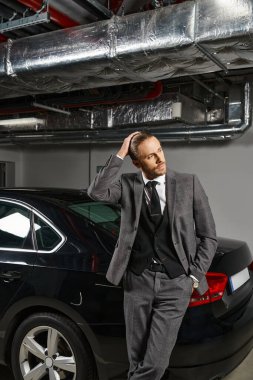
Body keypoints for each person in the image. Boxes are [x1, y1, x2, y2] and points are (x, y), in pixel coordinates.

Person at [87, 131, 217, 380]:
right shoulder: (127, 184)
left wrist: (194, 277)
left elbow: (208, 236)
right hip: (138, 281)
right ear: (137, 162)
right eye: (150, 156)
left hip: (176, 283)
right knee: (136, 360)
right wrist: (121, 152)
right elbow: (96, 192)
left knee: (155, 364)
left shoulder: (188, 183)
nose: (160, 159)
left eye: (160, 150)